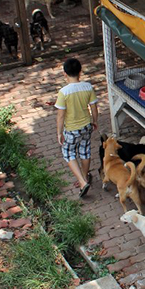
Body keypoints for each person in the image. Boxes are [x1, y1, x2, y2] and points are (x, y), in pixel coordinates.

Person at [55, 58, 98, 197]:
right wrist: (94, 121)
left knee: (68, 153)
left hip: (72, 129)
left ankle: (82, 182)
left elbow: (61, 116)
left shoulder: (63, 92)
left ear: (64, 73)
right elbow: (94, 107)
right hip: (86, 126)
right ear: (80, 71)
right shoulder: (88, 87)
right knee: (85, 151)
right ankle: (85, 177)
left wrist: (59, 133)